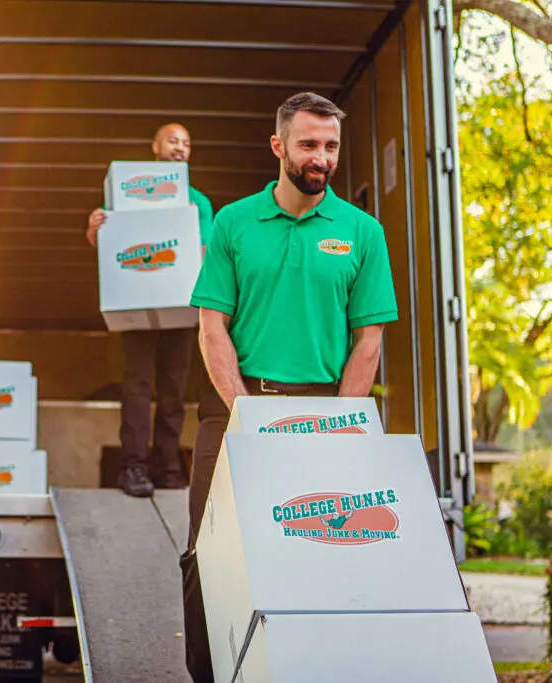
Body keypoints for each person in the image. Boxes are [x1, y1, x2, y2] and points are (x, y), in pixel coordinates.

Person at [178, 92, 399, 682]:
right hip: (233, 411)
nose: (321, 157)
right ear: (279, 147)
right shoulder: (233, 223)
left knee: (319, 551)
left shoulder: (363, 232)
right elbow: (211, 326)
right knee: (209, 552)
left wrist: (341, 424)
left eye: (330, 146)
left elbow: (368, 340)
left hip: (324, 408)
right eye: (308, 144)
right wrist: (246, 414)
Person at [85, 123, 215, 497]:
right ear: (155, 146)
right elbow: (109, 245)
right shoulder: (129, 192)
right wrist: (94, 228)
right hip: (138, 303)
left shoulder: (198, 202)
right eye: (173, 141)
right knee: (138, 386)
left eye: (187, 143)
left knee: (174, 390)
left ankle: (168, 469)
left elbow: (203, 253)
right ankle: (133, 468)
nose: (180, 148)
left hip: (179, 306)